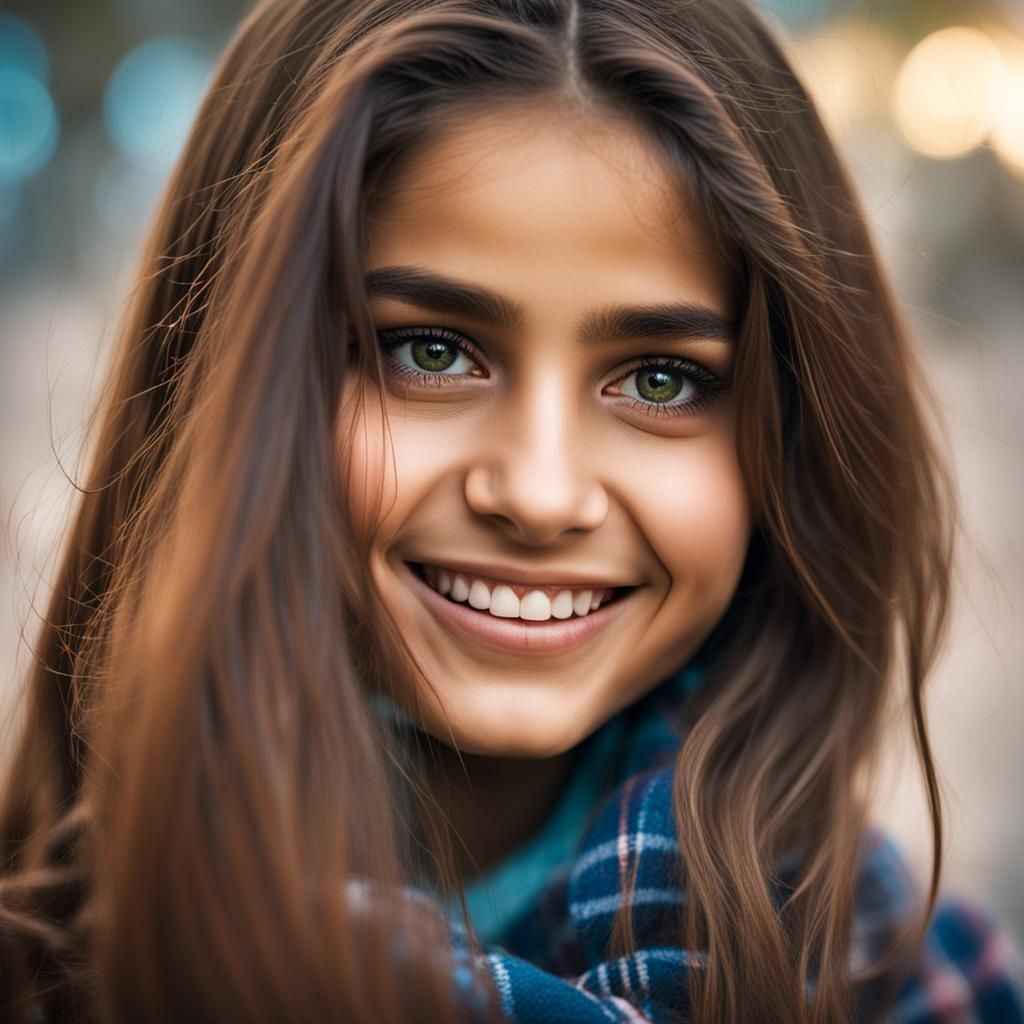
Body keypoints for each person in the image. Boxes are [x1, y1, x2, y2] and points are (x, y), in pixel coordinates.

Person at [1, 0, 1022, 1020]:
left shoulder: (919, 985)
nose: (539, 494)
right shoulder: (49, 973)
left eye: (660, 379)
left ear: (792, 446)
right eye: (431, 351)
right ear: (220, 383)